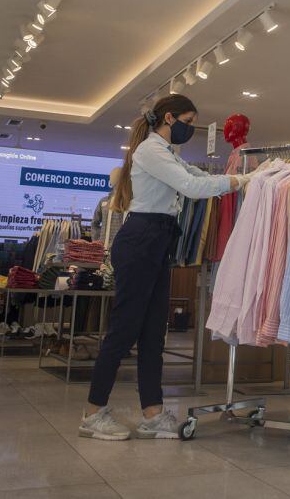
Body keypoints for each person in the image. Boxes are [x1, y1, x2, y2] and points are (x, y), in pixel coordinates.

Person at [79, 94, 248, 440]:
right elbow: (191, 186)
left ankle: (152, 413)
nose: (191, 127)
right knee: (124, 330)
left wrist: (239, 178)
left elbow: (194, 174)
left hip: (159, 239)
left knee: (154, 331)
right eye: (189, 119)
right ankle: (93, 413)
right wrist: (236, 183)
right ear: (169, 119)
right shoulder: (150, 151)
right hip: (141, 238)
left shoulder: (168, 153)